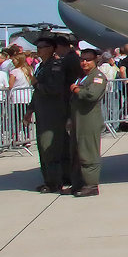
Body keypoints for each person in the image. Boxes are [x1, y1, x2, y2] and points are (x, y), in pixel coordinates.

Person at [24, 38, 69, 193]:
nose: (38, 49)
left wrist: (37, 84)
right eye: (37, 47)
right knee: (43, 147)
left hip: (52, 113)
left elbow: (55, 89)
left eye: (42, 47)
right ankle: (49, 179)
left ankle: (54, 182)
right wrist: (30, 110)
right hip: (42, 112)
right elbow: (37, 93)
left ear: (51, 48)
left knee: (50, 147)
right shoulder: (41, 66)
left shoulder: (55, 66)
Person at [69, 49, 109, 197]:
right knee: (76, 152)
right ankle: (77, 184)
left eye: (88, 60)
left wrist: (77, 90)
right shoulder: (83, 77)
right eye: (82, 60)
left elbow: (92, 94)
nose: (84, 62)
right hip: (78, 119)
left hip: (89, 119)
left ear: (96, 61)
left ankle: (91, 185)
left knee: (88, 152)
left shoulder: (97, 77)